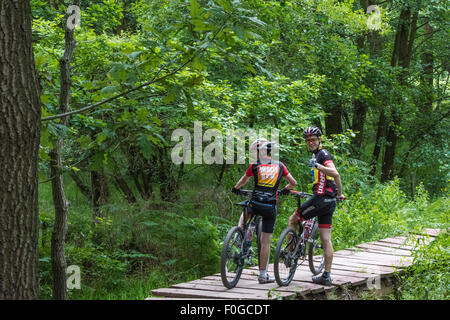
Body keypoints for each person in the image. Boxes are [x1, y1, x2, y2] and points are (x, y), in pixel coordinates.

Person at [232, 139, 297, 284]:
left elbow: (243, 180)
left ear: (261, 151)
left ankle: (238, 235)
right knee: (265, 242)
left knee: (247, 209)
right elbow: (293, 183)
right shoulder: (280, 166)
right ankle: (262, 275)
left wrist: (236, 188)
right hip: (269, 207)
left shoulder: (255, 165)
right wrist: (283, 190)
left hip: (256, 203)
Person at [288, 126, 345, 286]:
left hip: (320, 199)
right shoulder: (318, 155)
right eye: (307, 141)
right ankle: (326, 275)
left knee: (293, 219)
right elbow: (336, 179)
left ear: (320, 140)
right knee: (326, 239)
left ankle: (290, 255)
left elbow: (335, 173)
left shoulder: (322, 154)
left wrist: (317, 166)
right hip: (330, 201)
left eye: (313, 139)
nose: (310, 143)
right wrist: (339, 194)